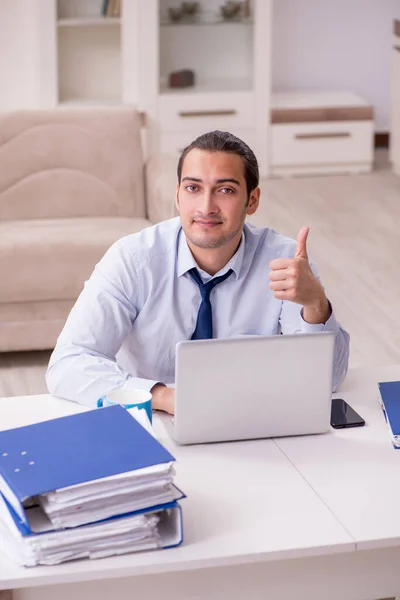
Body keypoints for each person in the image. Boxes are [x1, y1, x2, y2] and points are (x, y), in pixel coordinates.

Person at [46, 130, 349, 415]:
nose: (206, 206)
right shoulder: (133, 259)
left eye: (225, 190)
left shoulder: (285, 260)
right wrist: (165, 397)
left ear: (252, 200)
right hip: (153, 415)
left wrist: (315, 305)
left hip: (249, 415)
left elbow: (328, 382)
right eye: (193, 188)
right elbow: (68, 364)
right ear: (177, 196)